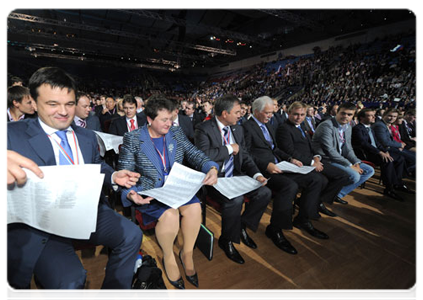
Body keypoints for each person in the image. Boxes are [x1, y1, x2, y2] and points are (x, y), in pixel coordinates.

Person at [5, 67, 143, 300]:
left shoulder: (87, 136)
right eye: (52, 104)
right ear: (34, 103)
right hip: (43, 225)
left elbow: (98, 164)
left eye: (69, 104)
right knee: (70, 282)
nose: (63, 112)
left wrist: (113, 177)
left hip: (86, 211)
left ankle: (110, 292)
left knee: (132, 235)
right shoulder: (11, 134)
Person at [118, 95, 218, 291]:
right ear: (149, 119)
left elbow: (194, 153)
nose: (169, 123)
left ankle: (186, 253)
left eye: (171, 119)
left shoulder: (175, 132)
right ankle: (169, 255)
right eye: (164, 120)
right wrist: (131, 193)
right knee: (170, 215)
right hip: (152, 192)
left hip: (176, 188)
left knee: (195, 207)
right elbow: (125, 170)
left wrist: (211, 168)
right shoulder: (133, 138)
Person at [195, 95, 273, 264]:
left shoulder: (238, 129)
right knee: (235, 200)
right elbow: (203, 156)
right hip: (214, 178)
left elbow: (245, 157)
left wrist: (256, 174)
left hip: (235, 176)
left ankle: (240, 226)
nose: (241, 115)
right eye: (237, 112)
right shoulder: (204, 128)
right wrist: (230, 148)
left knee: (265, 192)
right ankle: (227, 240)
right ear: (225, 113)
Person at [243, 96, 329, 241]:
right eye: (267, 113)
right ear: (256, 111)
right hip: (263, 169)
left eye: (272, 112)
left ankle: (303, 219)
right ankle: (275, 228)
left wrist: (290, 159)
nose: (271, 116)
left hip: (281, 165)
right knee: (290, 186)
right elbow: (246, 154)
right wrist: (266, 165)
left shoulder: (269, 125)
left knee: (317, 179)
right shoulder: (246, 127)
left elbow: (274, 148)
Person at [277, 102, 351, 217]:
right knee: (323, 180)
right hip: (300, 163)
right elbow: (289, 151)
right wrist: (312, 162)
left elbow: (311, 145)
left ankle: (315, 202)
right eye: (296, 114)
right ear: (289, 113)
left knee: (343, 175)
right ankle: (311, 206)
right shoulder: (284, 128)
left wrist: (317, 157)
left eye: (302, 115)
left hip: (312, 160)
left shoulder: (302, 126)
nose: (299, 117)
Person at [311, 102, 375, 203]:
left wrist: (356, 162)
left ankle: (338, 193)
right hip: (326, 159)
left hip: (339, 158)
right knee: (354, 175)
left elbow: (348, 148)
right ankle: (328, 195)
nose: (345, 116)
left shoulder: (348, 127)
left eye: (349, 115)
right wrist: (349, 165)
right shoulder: (326, 125)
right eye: (343, 113)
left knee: (369, 170)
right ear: (337, 112)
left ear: (353, 116)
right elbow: (330, 151)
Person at [351, 108, 412, 201]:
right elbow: (364, 144)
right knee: (387, 161)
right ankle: (389, 188)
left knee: (400, 158)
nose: (374, 117)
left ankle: (398, 183)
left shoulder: (370, 127)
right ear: (361, 118)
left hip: (375, 151)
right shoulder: (357, 128)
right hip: (366, 154)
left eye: (373, 115)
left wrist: (384, 151)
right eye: (370, 115)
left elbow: (377, 143)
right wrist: (380, 152)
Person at [372, 108, 420, 177]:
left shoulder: (387, 124)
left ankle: (399, 175)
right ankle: (398, 176)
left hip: (392, 147)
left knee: (419, 156)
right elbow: (385, 142)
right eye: (390, 116)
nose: (392, 118)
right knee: (414, 160)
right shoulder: (380, 125)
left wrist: (399, 145)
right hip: (385, 149)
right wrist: (399, 145)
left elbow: (391, 139)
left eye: (394, 117)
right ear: (384, 115)